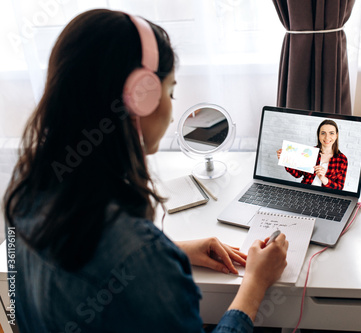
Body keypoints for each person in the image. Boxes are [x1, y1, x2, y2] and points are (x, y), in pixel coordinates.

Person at [3, 9, 288, 333]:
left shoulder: (26, 188)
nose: (171, 105)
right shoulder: (141, 259)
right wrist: (254, 285)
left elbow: (24, 292)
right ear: (141, 97)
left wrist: (172, 251)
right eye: (170, 91)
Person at [277, 119, 348, 190]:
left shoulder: (342, 160)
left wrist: (323, 179)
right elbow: (297, 175)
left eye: (331, 133)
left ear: (336, 135)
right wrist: (285, 160)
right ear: (319, 135)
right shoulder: (309, 152)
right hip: (305, 191)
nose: (327, 137)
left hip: (326, 197)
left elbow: (339, 188)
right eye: (323, 133)